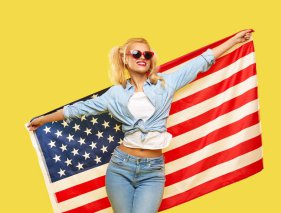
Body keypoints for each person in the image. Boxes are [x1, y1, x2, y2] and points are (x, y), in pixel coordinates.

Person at [27, 29, 252, 213]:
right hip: (121, 167)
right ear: (125, 59)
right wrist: (43, 119)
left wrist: (234, 40)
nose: (142, 58)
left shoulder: (166, 83)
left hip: (152, 171)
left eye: (147, 54)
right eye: (136, 54)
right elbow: (77, 110)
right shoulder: (115, 94)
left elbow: (201, 62)